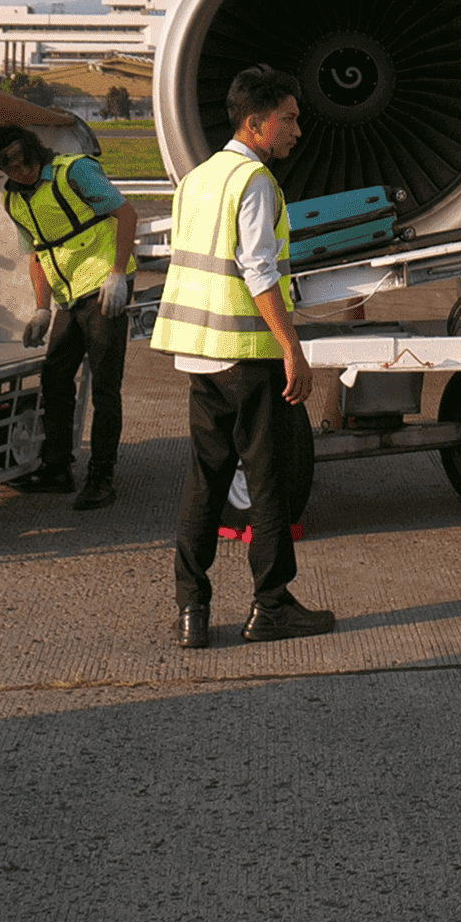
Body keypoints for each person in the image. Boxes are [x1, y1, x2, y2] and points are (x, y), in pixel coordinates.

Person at [151, 65, 335, 649]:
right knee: (268, 479)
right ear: (256, 124)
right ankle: (271, 605)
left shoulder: (197, 179)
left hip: (200, 354)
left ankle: (191, 610)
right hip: (247, 356)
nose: (297, 131)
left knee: (205, 482)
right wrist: (291, 348)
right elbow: (258, 272)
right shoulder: (254, 182)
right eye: (289, 119)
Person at [0, 123, 137, 511]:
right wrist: (41, 308)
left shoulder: (74, 171)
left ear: (35, 150)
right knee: (55, 377)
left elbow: (126, 214)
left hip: (103, 284)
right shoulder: (14, 201)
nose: (19, 170)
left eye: (23, 160)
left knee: (105, 384)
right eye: (8, 166)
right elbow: (38, 253)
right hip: (68, 297)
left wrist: (118, 274)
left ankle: (101, 476)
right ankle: (57, 467)